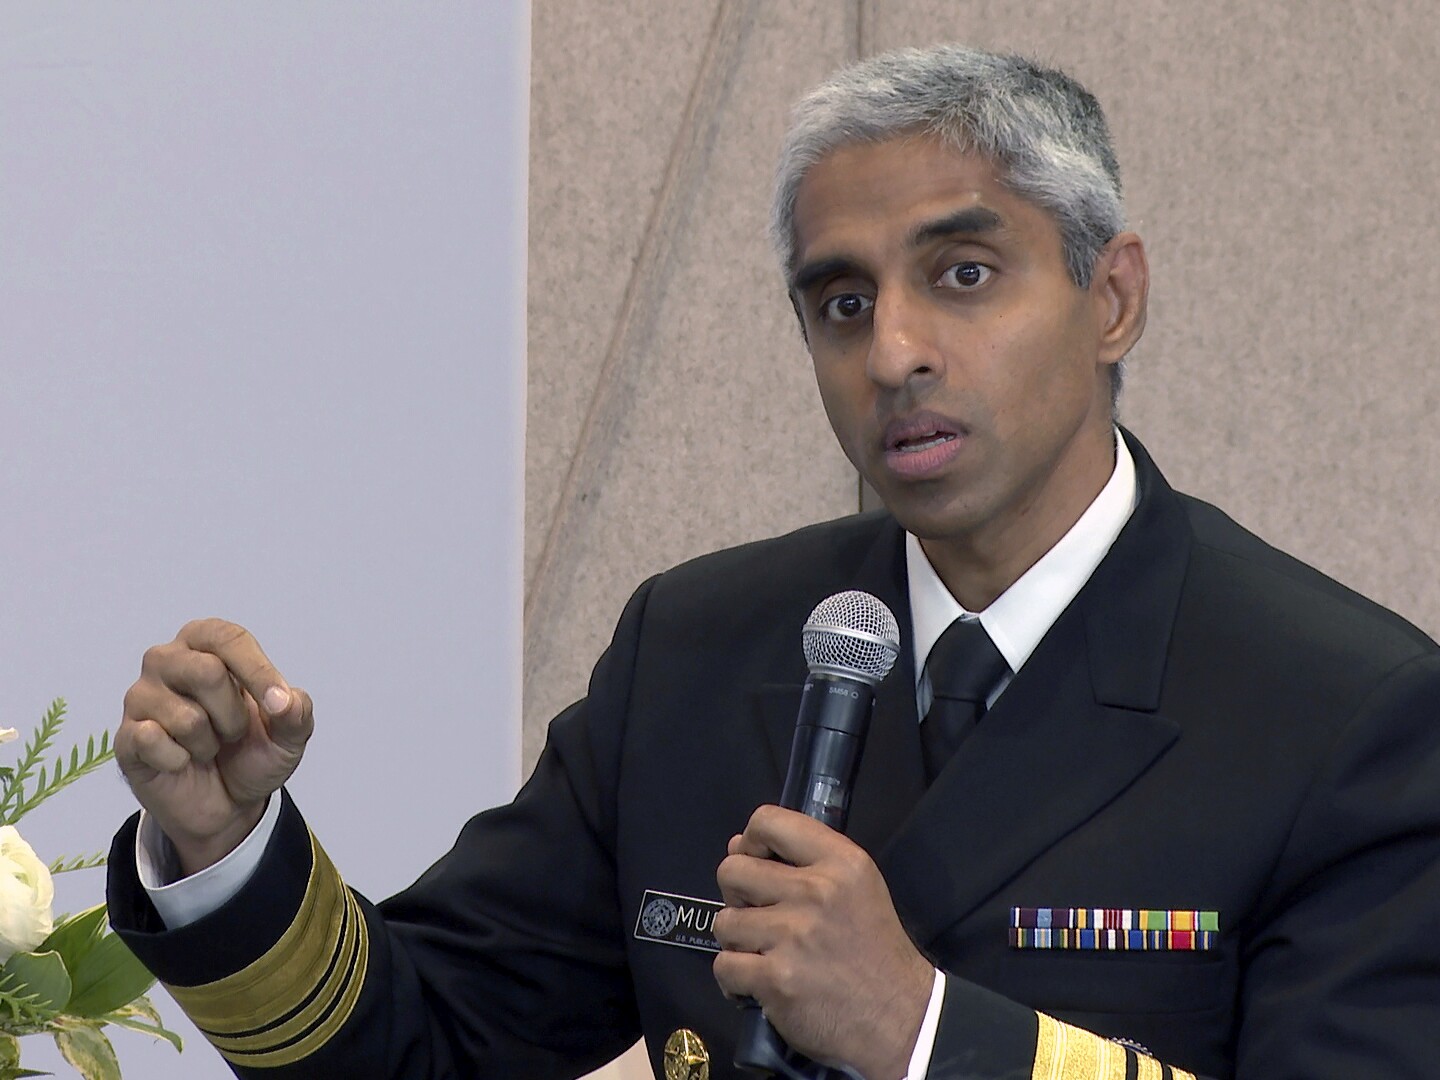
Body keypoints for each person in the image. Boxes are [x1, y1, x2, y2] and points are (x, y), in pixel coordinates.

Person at [106, 44, 1440, 1080]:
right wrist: (225, 846)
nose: (894, 352)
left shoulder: (1345, 714)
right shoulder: (697, 649)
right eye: (842, 302)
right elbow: (425, 1042)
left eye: (964, 275)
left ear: (1113, 297)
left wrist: (918, 1031)